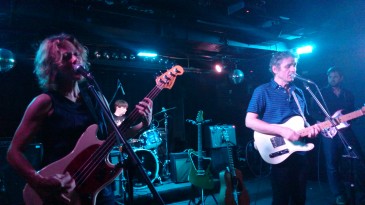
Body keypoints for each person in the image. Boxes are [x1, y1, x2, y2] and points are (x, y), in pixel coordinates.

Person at [6, 33, 153, 204]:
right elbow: (13, 152)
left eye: (76, 54)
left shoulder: (95, 97)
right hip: (61, 190)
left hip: (98, 188)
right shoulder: (44, 102)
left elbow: (114, 137)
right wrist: (38, 180)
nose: (75, 60)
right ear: (52, 66)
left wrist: (143, 124)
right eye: (67, 56)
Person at [245, 50, 321, 205]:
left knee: (300, 198)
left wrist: (313, 129)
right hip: (278, 152)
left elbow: (305, 121)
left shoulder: (298, 92)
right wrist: (282, 130)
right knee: (281, 199)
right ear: (275, 69)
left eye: (294, 65)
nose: (293, 69)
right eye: (288, 66)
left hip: (300, 152)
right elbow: (250, 121)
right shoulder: (262, 91)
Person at [311, 66, 365, 205]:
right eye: (330, 77)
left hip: (345, 131)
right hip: (329, 133)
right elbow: (312, 111)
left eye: (335, 77)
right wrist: (324, 120)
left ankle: (361, 189)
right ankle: (338, 194)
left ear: (341, 78)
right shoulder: (320, 92)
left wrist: (358, 114)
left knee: (359, 158)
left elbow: (352, 114)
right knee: (332, 164)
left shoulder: (348, 94)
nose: (332, 79)